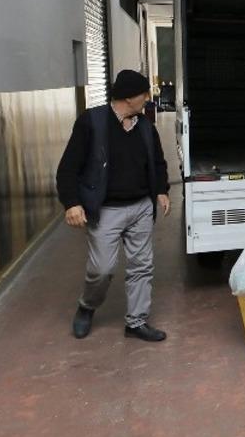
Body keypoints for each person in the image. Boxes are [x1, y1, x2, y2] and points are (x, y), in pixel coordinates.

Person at [56, 70, 171, 342]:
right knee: (102, 269)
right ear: (130, 97)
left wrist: (161, 190)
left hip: (141, 206)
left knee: (142, 266)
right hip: (106, 210)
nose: (148, 98)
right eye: (144, 94)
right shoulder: (91, 123)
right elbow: (67, 169)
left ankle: (136, 322)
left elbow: (157, 162)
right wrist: (71, 203)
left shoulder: (144, 125)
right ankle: (87, 306)